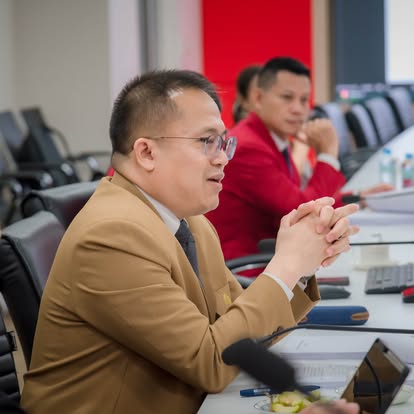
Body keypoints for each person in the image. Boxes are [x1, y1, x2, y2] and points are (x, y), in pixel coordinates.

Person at [21, 69, 358, 414]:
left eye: (224, 142)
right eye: (206, 141)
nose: (222, 157)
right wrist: (286, 265)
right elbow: (210, 362)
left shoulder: (190, 221)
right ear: (146, 152)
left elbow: (243, 331)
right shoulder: (110, 236)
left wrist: (302, 265)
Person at [206, 56, 391, 262]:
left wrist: (358, 197)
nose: (298, 109)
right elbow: (305, 213)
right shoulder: (249, 147)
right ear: (258, 98)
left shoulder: (270, 138)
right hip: (251, 266)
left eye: (304, 100)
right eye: (287, 97)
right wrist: (328, 153)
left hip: (276, 255)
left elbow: (298, 199)